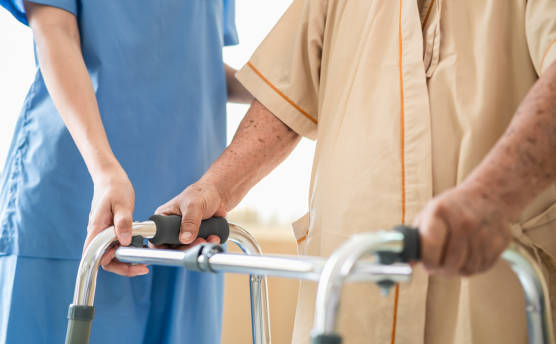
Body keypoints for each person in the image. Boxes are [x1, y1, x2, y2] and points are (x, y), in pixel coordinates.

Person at [156, 0, 556, 343]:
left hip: (490, 278)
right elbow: (287, 89)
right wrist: (216, 187)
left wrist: (491, 197)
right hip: (351, 285)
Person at [0, 1, 252, 343]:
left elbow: (197, 61)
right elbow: (55, 31)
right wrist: (104, 170)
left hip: (186, 214)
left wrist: (297, 88)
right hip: (80, 196)